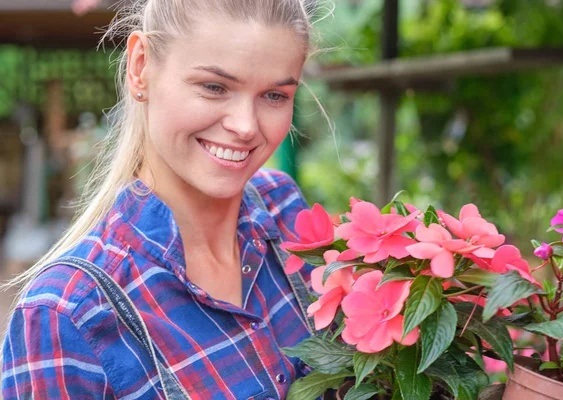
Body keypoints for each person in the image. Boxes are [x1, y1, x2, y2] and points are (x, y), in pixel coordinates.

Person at [1, 0, 323, 398]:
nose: (245, 126)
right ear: (140, 67)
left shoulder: (284, 210)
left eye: (274, 95)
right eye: (214, 87)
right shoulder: (68, 313)